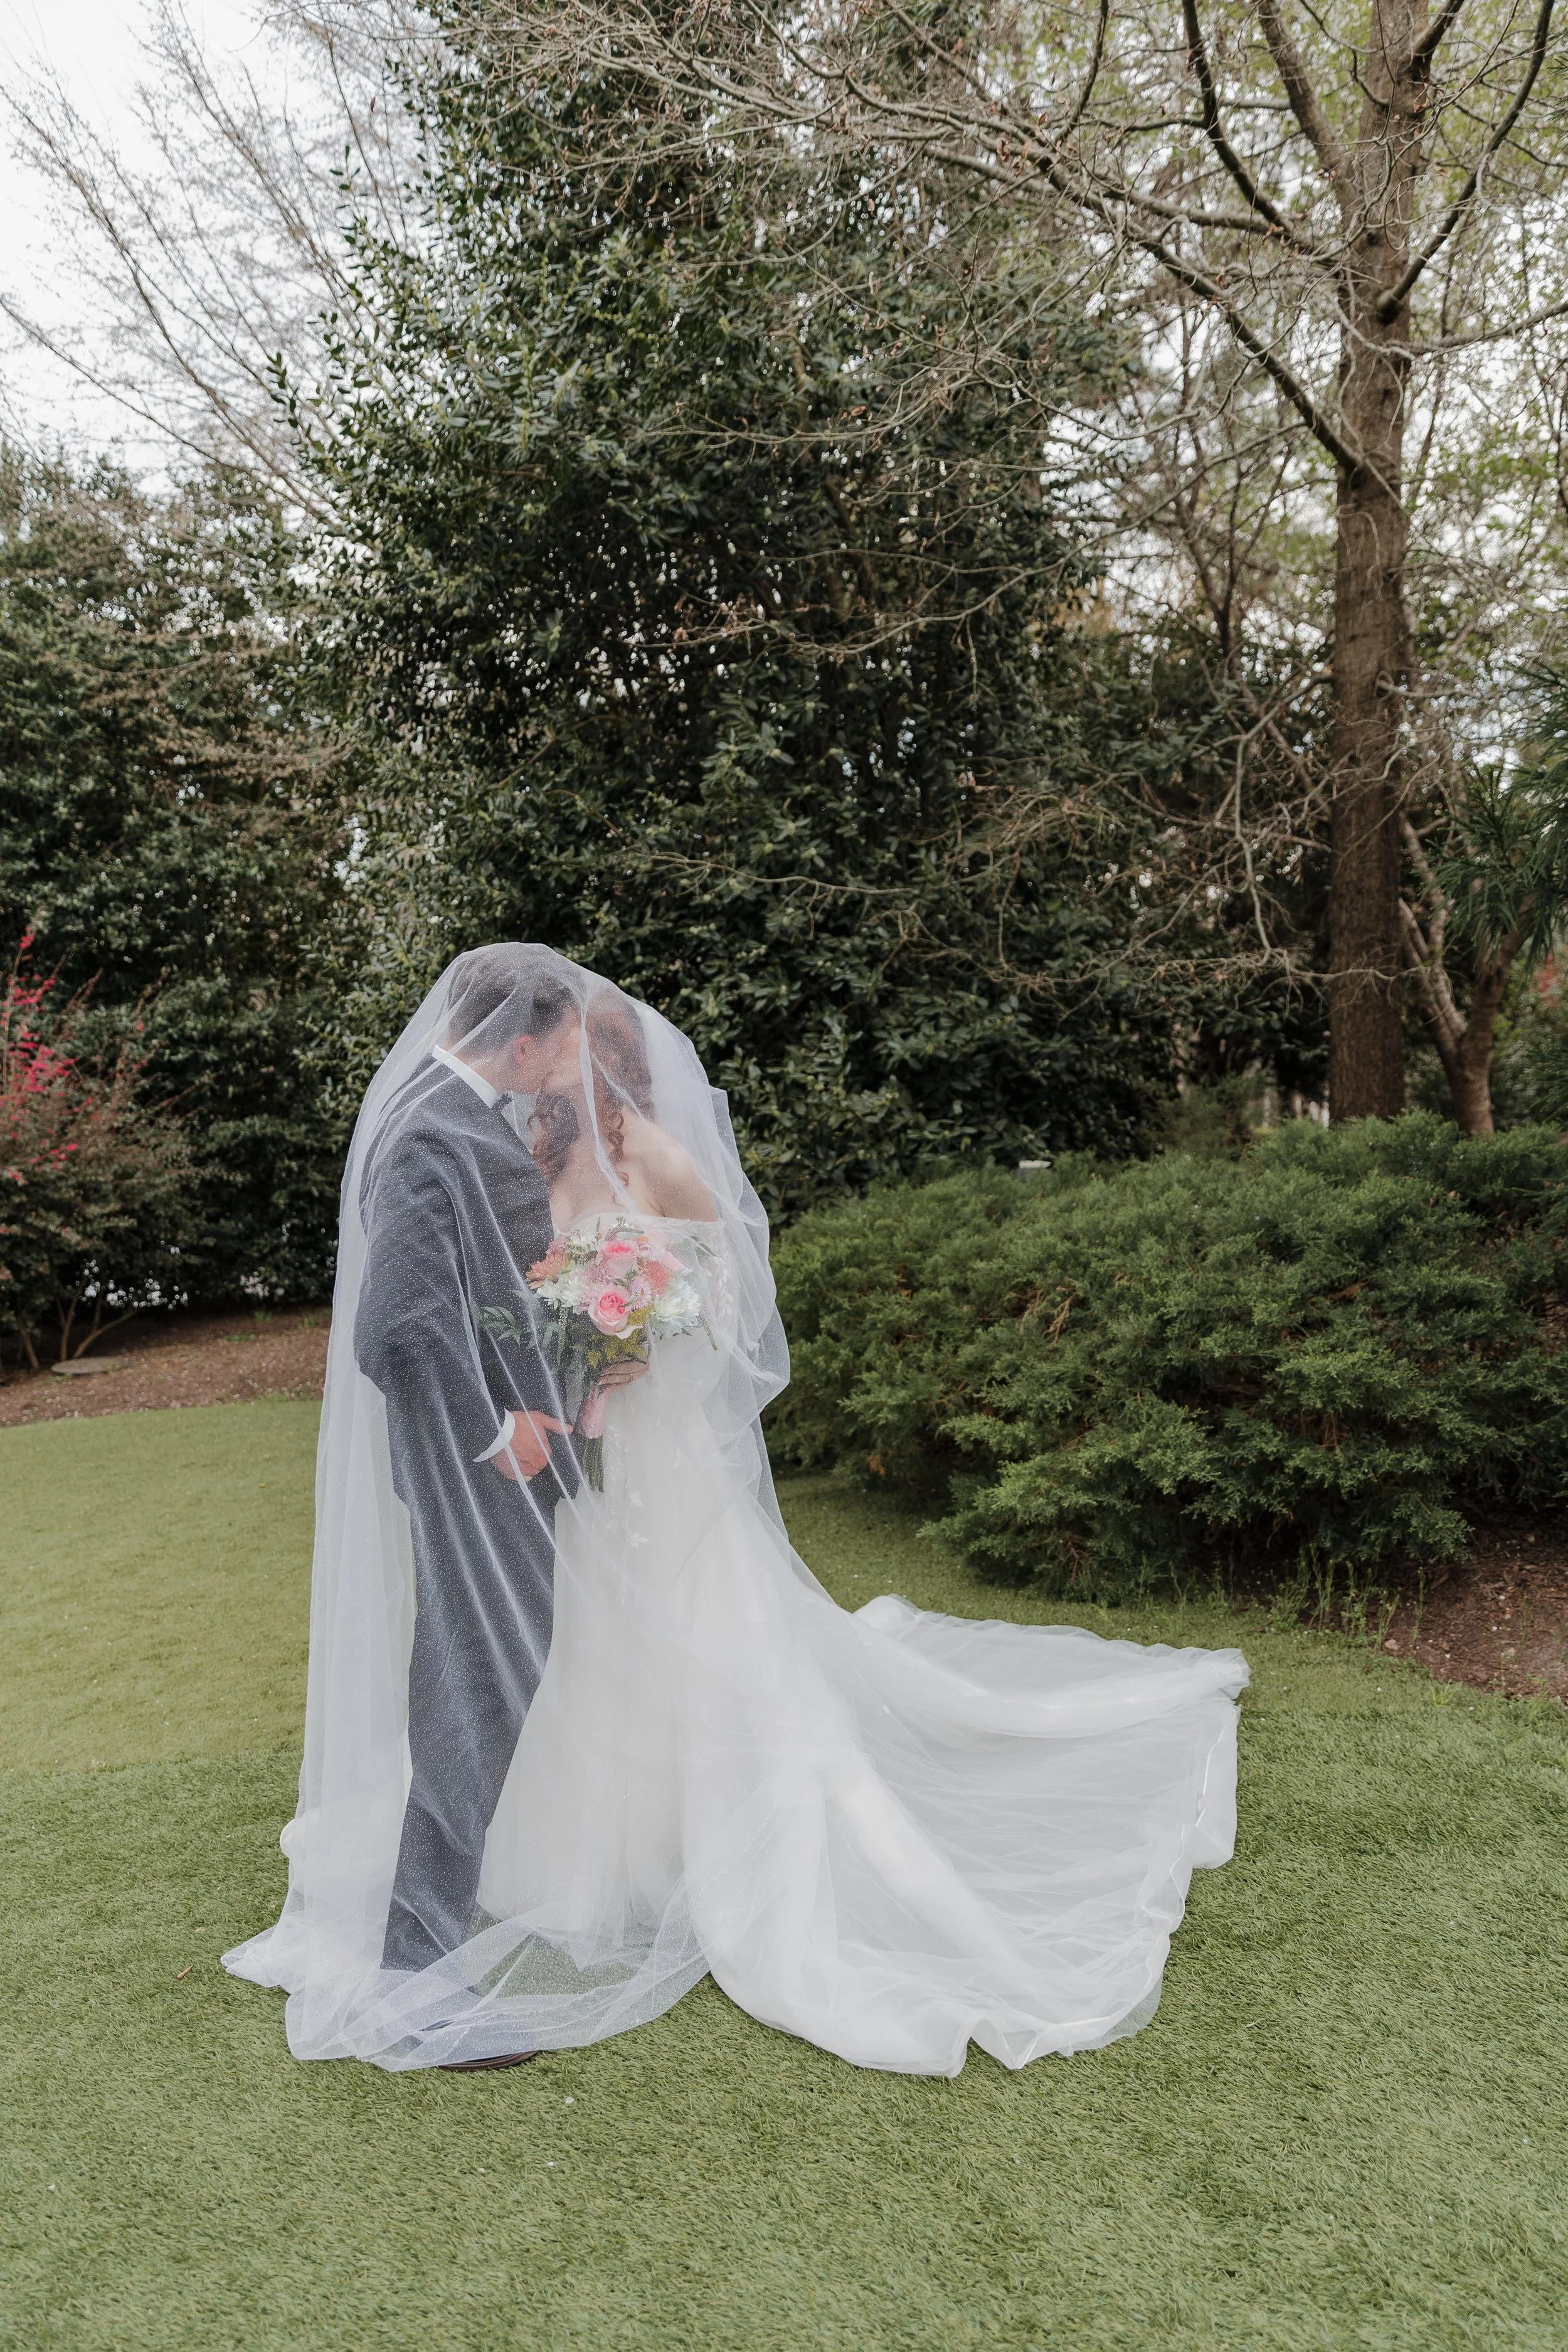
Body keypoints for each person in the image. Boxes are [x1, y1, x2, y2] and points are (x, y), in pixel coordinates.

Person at [226, 946, 1248, 2076]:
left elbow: (726, 1304)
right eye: (557, 1050)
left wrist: (634, 1338)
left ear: (602, 1065)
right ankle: (458, 1927)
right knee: (511, 1667)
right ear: (533, 1048)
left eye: (583, 1057)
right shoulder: (495, 1135)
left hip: (644, 1454)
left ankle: (580, 1891)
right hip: (547, 1464)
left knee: (610, 1655)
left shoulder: (640, 1154)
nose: (565, 1072)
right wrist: (541, 1379)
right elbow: (462, 1314)